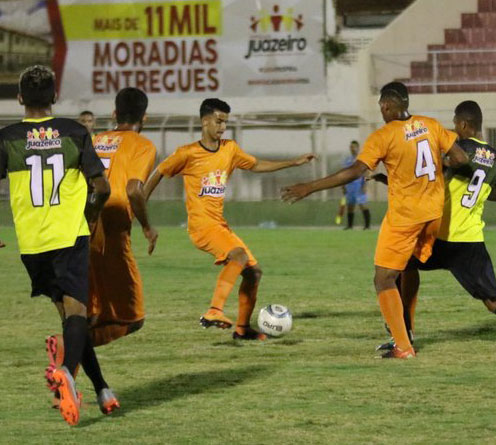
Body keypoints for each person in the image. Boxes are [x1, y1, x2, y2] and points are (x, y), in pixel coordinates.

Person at [282, 82, 470, 359]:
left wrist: (310, 187)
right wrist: (435, 170)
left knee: (383, 279)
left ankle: (403, 346)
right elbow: (461, 158)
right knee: (408, 268)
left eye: (382, 106)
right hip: (432, 214)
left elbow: (355, 171)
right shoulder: (430, 124)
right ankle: (406, 332)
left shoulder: (384, 136)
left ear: (386, 105)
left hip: (406, 217)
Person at [0, 65, 111, 425]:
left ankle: (102, 388)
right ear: (55, 96)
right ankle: (66, 373)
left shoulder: (5, 137)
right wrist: (91, 215)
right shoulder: (74, 131)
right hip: (68, 235)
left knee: (71, 318)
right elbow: (103, 188)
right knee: (77, 314)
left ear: (19, 98)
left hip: (32, 241)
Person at [374, 101, 496, 352]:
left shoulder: (458, 151)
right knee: (493, 302)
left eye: (454, 124)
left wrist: (387, 179)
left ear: (463, 124)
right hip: (470, 243)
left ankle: (404, 333)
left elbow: (427, 177)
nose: (453, 129)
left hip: (441, 238)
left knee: (399, 268)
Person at [143, 98, 315, 340]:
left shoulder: (230, 149)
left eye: (225, 122)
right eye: (218, 121)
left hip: (219, 225)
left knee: (254, 273)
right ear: (205, 122)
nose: (223, 127)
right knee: (239, 256)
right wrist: (139, 207)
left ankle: (242, 329)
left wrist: (292, 162)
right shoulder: (187, 153)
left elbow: (256, 165)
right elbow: (158, 173)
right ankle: (214, 310)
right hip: (201, 226)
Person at [43, 88, 158, 413]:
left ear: (114, 114)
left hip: (79, 224)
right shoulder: (143, 145)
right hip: (112, 232)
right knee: (132, 318)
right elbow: (133, 190)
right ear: (145, 118)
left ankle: (69, 386)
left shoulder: (94, 139)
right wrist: (147, 226)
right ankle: (66, 352)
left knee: (88, 314)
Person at [341, 140, 371, 230]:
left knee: (362, 205)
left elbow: (367, 173)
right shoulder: (347, 160)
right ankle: (350, 226)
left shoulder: (362, 159)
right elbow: (344, 173)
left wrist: (365, 185)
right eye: (351, 147)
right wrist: (343, 186)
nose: (352, 149)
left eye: (354, 147)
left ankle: (367, 226)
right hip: (349, 186)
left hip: (359, 186)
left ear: (358, 148)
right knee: (350, 206)